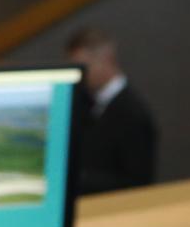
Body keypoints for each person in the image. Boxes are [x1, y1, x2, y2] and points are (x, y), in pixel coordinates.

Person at [65, 27, 157, 194]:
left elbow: (137, 181)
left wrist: (79, 178)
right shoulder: (86, 103)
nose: (79, 76)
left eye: (83, 68)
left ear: (106, 60)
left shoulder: (132, 113)